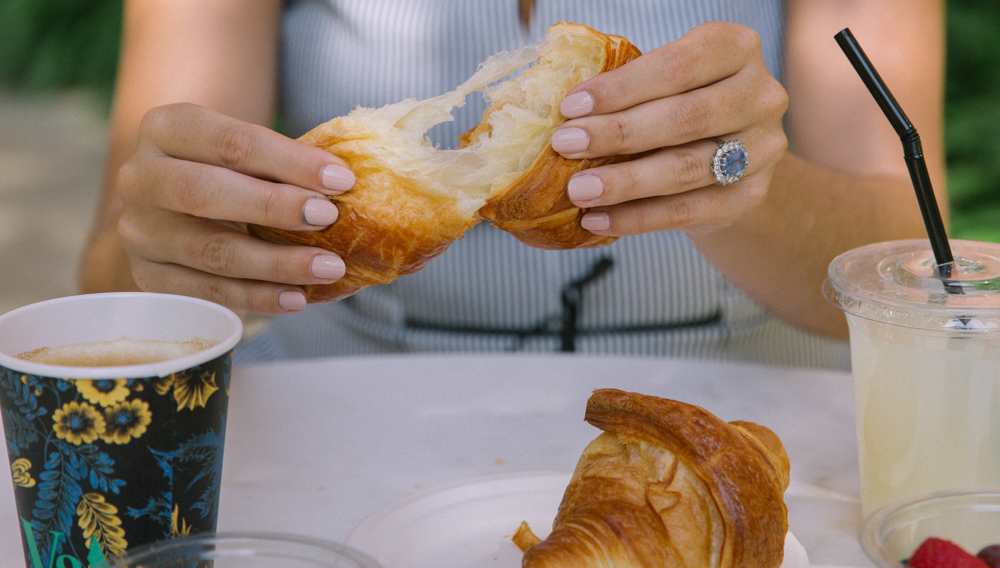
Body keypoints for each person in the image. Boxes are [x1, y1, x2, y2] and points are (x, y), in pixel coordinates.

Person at [80, 0, 946, 367]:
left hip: (733, 415)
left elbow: (915, 264)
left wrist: (744, 183)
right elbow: (113, 284)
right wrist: (181, 245)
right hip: (344, 430)